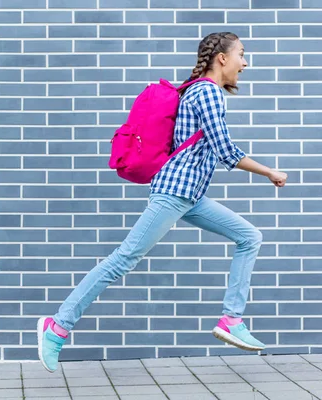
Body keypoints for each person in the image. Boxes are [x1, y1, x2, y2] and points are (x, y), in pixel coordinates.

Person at [37, 32, 288, 373]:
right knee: (122, 259)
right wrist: (270, 171)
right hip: (174, 192)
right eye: (242, 55)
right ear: (222, 58)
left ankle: (231, 319)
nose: (245, 63)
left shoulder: (196, 90)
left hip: (191, 195)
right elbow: (226, 151)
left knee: (249, 237)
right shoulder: (208, 93)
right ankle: (57, 327)